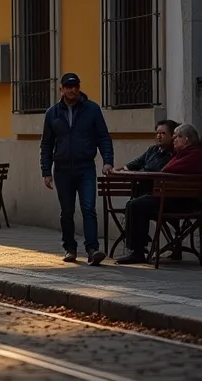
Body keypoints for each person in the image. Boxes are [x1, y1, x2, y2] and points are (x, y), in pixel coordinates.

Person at [39, 72, 114, 266]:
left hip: (85, 167)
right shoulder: (53, 113)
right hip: (62, 169)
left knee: (89, 208)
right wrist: (46, 171)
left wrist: (108, 160)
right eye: (68, 87)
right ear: (61, 89)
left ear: (79, 88)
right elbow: (46, 144)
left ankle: (92, 249)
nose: (72, 90)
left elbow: (103, 137)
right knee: (67, 211)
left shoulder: (92, 109)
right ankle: (70, 248)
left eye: (75, 87)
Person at [114, 123, 202, 265]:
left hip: (179, 202)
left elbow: (166, 170)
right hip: (181, 200)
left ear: (185, 139)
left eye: (176, 138)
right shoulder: (184, 154)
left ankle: (137, 251)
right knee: (136, 203)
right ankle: (139, 247)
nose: (174, 141)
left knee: (135, 205)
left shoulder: (190, 156)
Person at [105, 119, 178, 198]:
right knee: (132, 203)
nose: (158, 136)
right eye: (157, 133)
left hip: (157, 193)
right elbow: (137, 162)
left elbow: (154, 168)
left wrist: (140, 172)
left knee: (133, 205)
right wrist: (119, 170)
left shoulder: (173, 153)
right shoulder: (153, 150)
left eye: (163, 133)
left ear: (172, 136)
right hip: (142, 189)